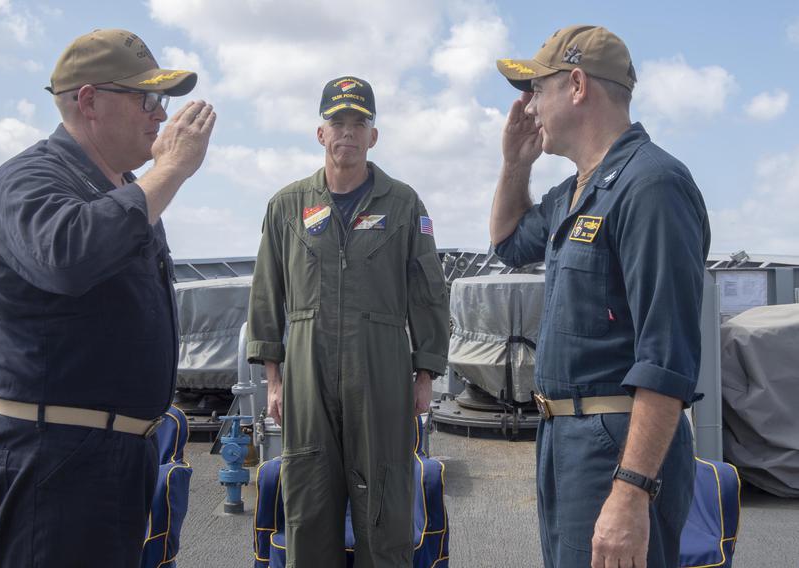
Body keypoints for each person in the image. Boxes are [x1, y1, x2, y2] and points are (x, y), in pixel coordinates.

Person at [0, 28, 215, 567]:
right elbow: (69, 256)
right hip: (52, 461)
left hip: (111, 458)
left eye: (164, 100)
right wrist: (169, 169)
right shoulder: (27, 180)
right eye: (146, 98)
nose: (160, 114)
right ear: (88, 100)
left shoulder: (118, 188)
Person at [490, 25, 710, 568]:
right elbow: (508, 242)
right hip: (564, 440)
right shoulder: (577, 191)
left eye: (538, 89)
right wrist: (516, 165)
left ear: (579, 84)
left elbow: (667, 356)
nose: (529, 105)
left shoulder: (652, 185)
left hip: (614, 446)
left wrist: (632, 490)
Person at [246, 76, 450, 567]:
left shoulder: (403, 204)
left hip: (379, 369)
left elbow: (427, 292)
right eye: (337, 122)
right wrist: (273, 380)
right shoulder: (287, 206)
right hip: (306, 374)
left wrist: (424, 374)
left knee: (385, 499)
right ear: (321, 134)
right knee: (309, 499)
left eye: (359, 122)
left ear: (373, 136)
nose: (348, 133)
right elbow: (267, 292)